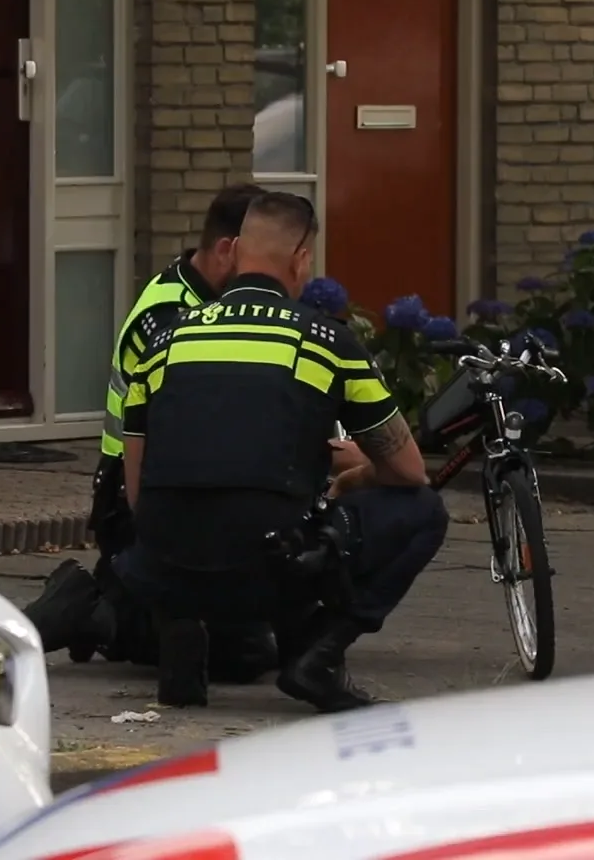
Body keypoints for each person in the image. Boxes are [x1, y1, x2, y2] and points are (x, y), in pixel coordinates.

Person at [117, 191, 449, 712]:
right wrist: (351, 479)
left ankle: (181, 637)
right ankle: (317, 656)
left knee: (182, 513)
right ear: (300, 260)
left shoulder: (165, 339)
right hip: (271, 572)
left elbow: (135, 491)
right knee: (423, 512)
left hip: (162, 569)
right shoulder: (325, 341)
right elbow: (409, 472)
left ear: (234, 253)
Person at [22, 182, 286, 682]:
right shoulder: (167, 317)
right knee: (242, 657)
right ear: (229, 250)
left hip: (194, 486)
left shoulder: (216, 301)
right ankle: (98, 614)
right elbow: (188, 432)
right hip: (143, 497)